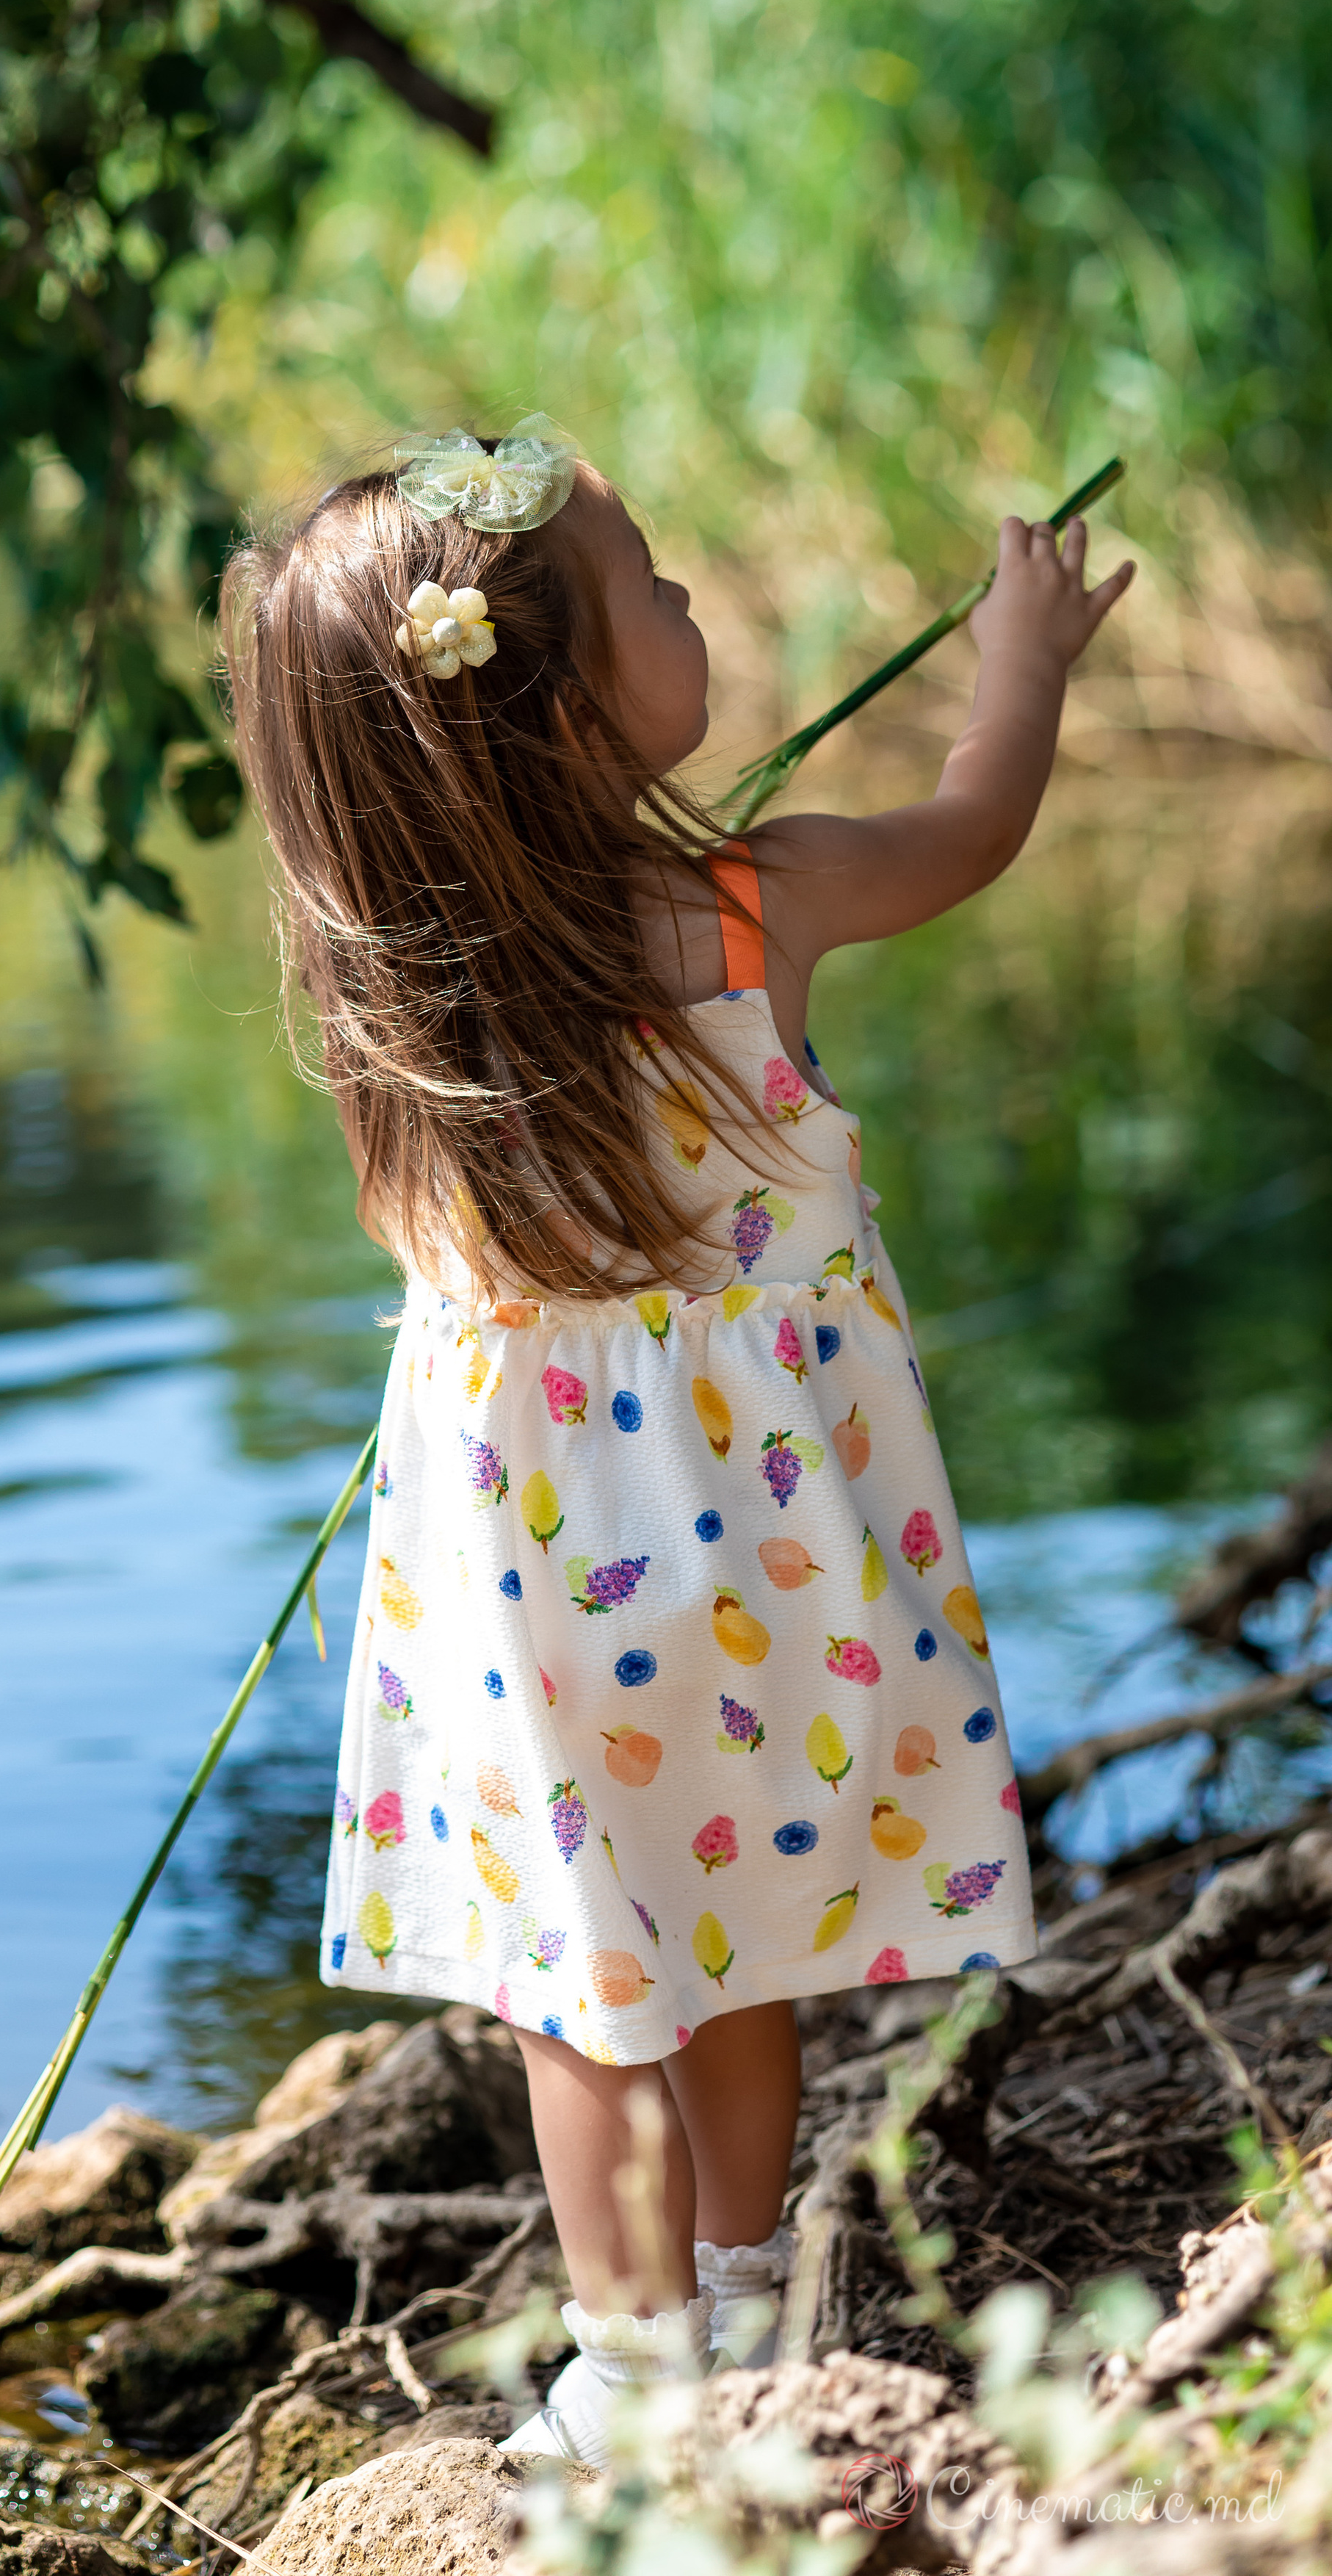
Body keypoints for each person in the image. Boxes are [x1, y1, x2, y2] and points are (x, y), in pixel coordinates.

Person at [221, 420, 1134, 2463]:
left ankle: (636, 2371)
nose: (692, 597)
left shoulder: (408, 1018)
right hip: (783, 1570)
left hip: (555, 1607)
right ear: (546, 700)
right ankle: (743, 2298)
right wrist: (1027, 656)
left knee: (587, 1985)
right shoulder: (756, 904)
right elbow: (979, 820)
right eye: (650, 587)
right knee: (745, 1945)